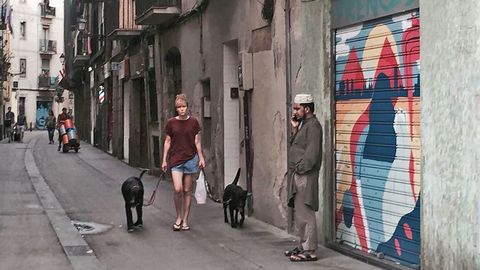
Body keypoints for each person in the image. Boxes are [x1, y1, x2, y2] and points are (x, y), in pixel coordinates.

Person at [285, 93, 322, 262]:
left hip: (305, 175)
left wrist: (300, 169)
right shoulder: (303, 125)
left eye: (297, 108)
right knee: (300, 213)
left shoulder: (313, 126)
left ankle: (310, 250)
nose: (295, 111)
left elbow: (312, 154)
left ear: (307, 108)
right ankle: (303, 244)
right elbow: (297, 146)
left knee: (306, 213)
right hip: (298, 174)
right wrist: (294, 128)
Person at [161, 94, 205, 232]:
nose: (181, 109)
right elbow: (167, 141)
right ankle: (178, 216)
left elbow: (197, 141)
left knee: (187, 191)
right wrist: (164, 159)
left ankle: (185, 219)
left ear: (187, 107)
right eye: (179, 107)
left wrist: (201, 157)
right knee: (177, 189)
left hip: (191, 159)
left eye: (184, 106)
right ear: (176, 109)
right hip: (175, 159)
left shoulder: (194, 122)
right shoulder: (171, 123)